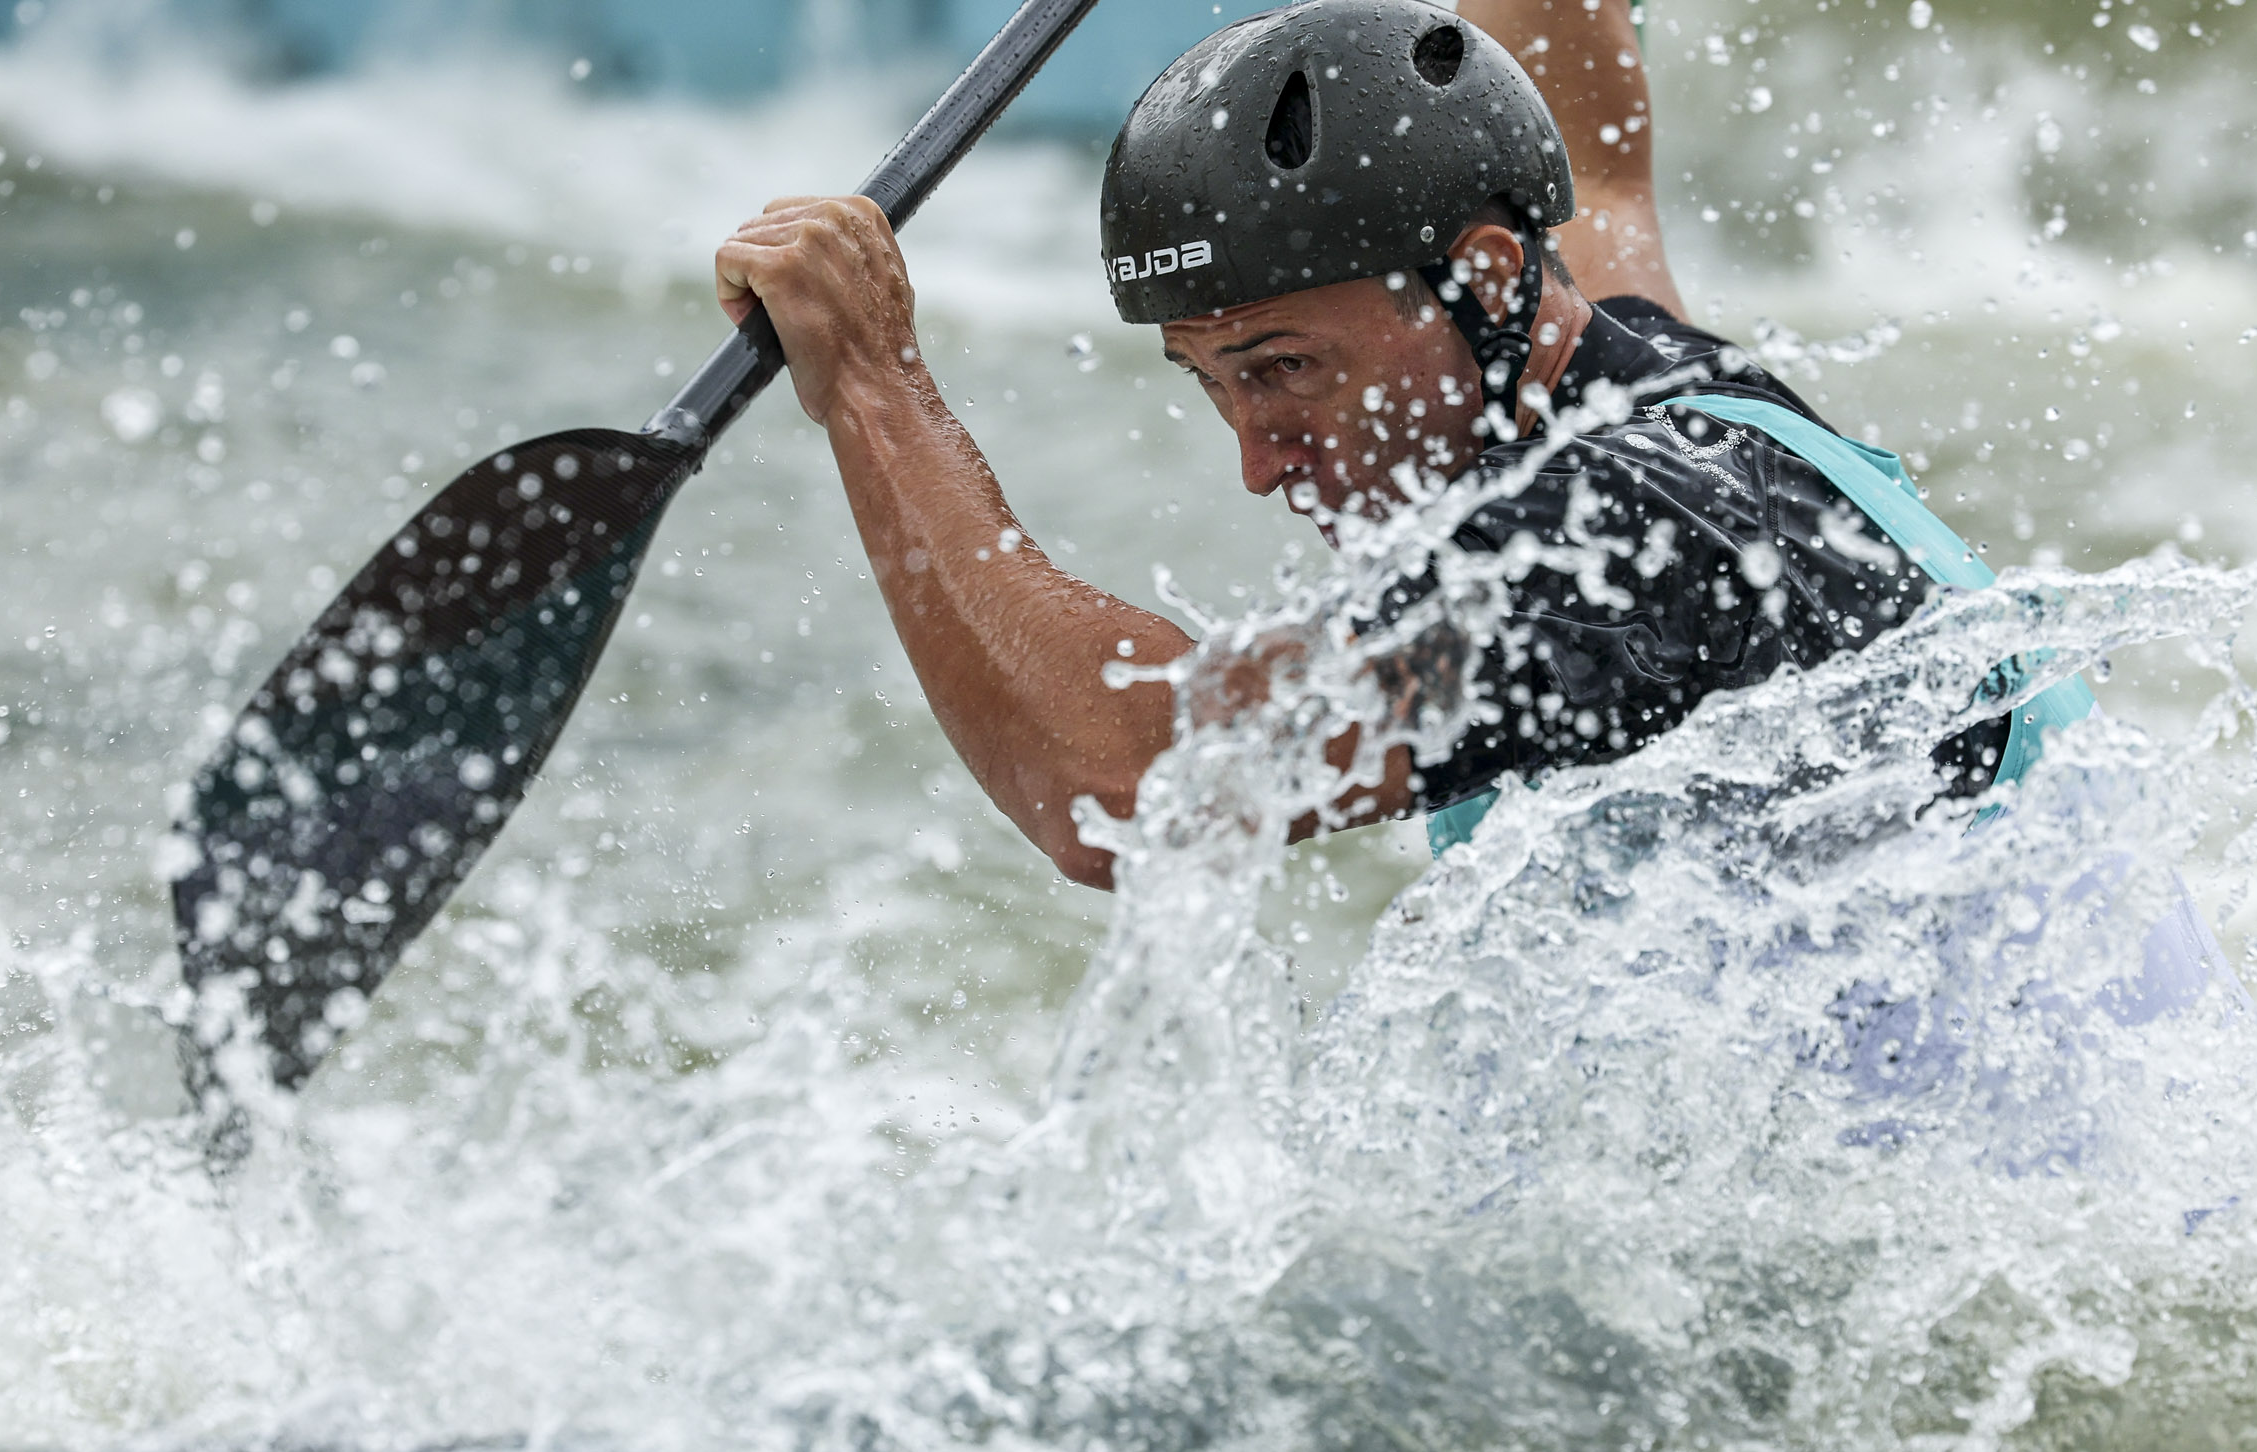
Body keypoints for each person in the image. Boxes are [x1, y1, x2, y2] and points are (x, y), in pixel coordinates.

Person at [712, 0, 2028, 888]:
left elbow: (1126, 782)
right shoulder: (1629, 358)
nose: (1261, 464)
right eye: (1213, 385)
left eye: (1286, 370)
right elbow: (1596, 145)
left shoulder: (1631, 541)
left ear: (1492, 276)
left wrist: (875, 388)